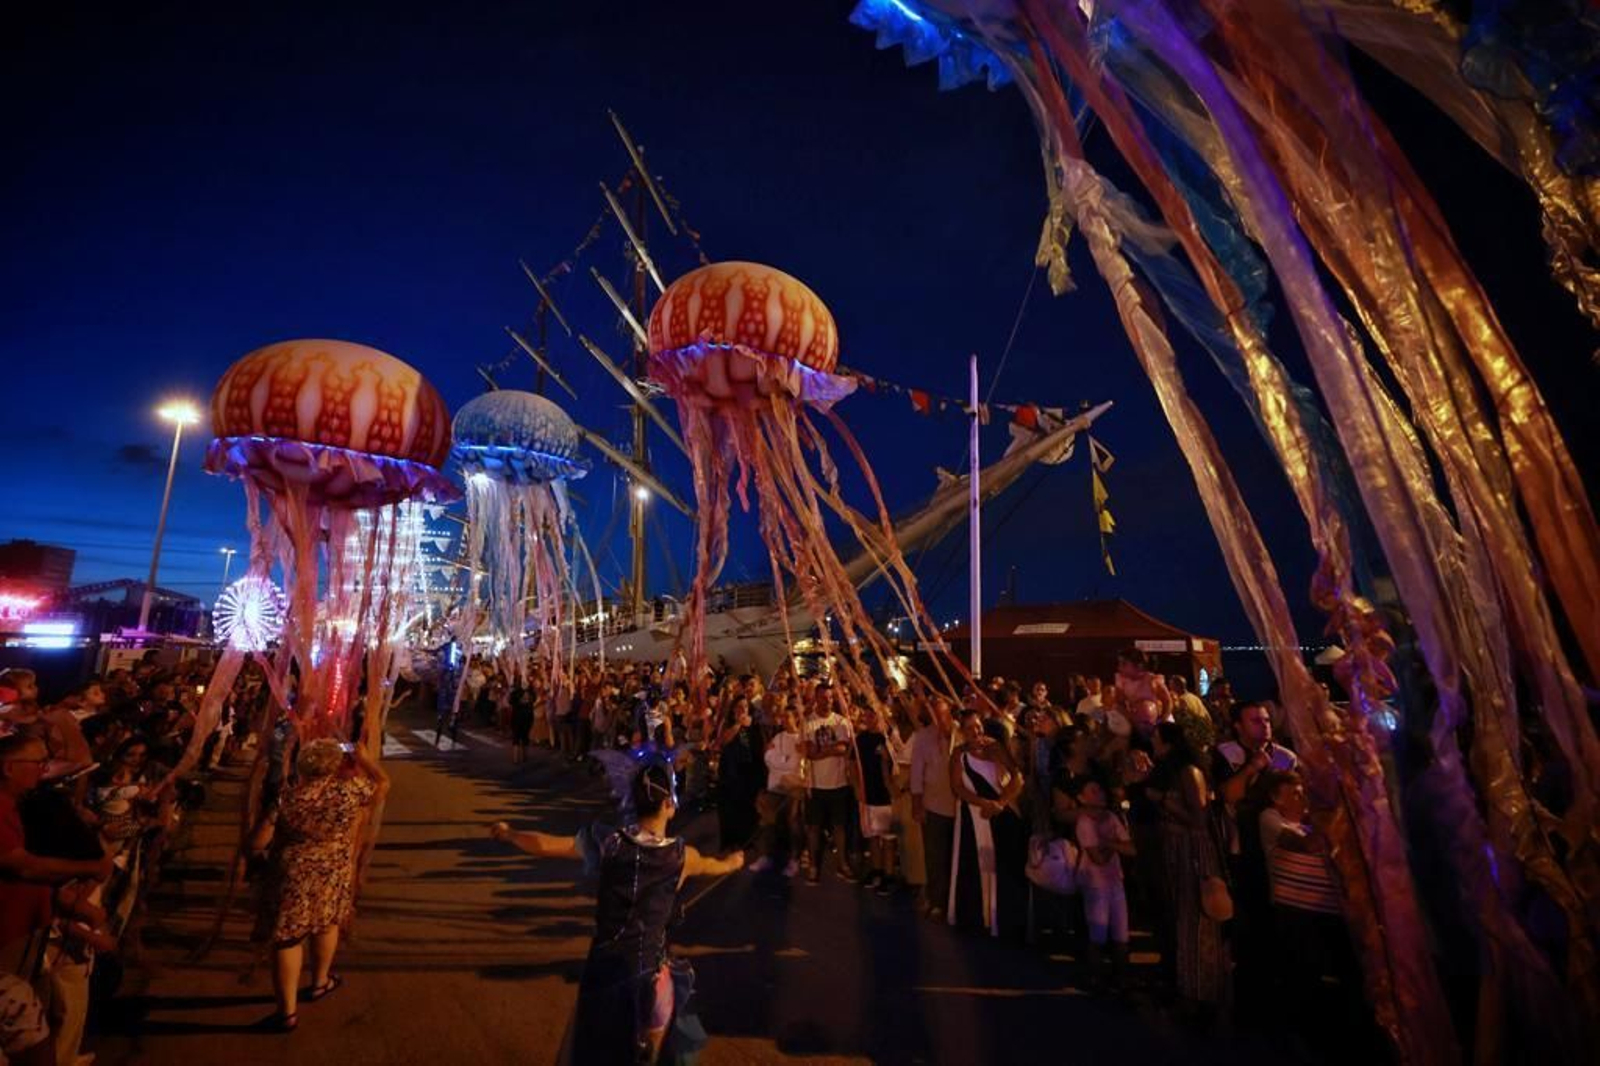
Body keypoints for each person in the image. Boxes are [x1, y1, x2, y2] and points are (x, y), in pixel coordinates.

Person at [489, 757, 744, 1064]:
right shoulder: (682, 857)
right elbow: (714, 866)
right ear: (667, 804)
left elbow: (547, 845)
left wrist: (509, 833)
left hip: (604, 968)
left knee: (595, 1050)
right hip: (648, 973)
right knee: (655, 1038)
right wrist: (735, 862)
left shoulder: (609, 842)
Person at [250, 738, 389, 1032]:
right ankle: (320, 982)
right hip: (333, 867)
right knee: (327, 923)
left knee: (288, 936)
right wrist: (364, 759)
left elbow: (257, 842)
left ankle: (286, 1012)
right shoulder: (350, 793)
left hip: (290, 872)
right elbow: (384, 784)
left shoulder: (287, 797)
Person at [1154, 721, 1229, 1014]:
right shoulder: (1174, 772)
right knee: (1183, 919)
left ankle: (1202, 992)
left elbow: (1198, 816)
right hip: (1177, 850)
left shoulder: (1189, 772)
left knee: (1196, 921)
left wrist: (1165, 803)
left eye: (1158, 742)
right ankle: (1188, 986)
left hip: (1192, 851)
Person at [947, 710, 1024, 936]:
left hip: (999, 813)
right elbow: (957, 787)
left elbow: (1017, 777)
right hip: (974, 816)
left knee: (1001, 865)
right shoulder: (958, 755)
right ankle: (976, 916)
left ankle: (1002, 917)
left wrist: (1000, 802)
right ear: (962, 732)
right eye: (969, 728)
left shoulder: (996, 748)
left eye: (978, 726)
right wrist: (982, 803)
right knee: (976, 864)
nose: (975, 731)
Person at [1070, 776, 1133, 990]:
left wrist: (1107, 843)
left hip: (1115, 880)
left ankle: (1121, 979)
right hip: (1095, 884)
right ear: (1081, 797)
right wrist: (1114, 844)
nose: (1101, 793)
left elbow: (1131, 848)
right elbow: (1098, 858)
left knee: (1121, 934)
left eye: (1100, 789)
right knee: (1098, 933)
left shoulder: (1111, 817)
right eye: (1093, 790)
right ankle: (1095, 978)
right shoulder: (1085, 822)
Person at [910, 695, 956, 920]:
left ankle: (954, 900)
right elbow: (916, 773)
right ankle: (937, 900)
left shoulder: (960, 733)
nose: (939, 718)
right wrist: (917, 804)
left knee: (955, 855)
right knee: (935, 855)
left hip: (961, 804)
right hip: (934, 803)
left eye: (943, 713)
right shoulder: (923, 737)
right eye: (935, 713)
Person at [803, 693, 856, 884]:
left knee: (839, 827)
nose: (828, 701)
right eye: (824, 698)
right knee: (813, 827)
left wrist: (821, 751)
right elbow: (809, 752)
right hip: (816, 785)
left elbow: (843, 749)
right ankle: (813, 866)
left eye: (830, 698)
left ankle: (842, 864)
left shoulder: (841, 721)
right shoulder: (808, 723)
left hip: (838, 783)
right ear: (817, 699)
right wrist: (831, 749)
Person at [752, 708, 805, 876]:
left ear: (796, 718)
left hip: (793, 787)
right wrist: (784, 760)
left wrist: (779, 759)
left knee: (793, 823)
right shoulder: (778, 737)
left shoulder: (802, 740)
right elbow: (768, 759)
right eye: (782, 716)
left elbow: (794, 764)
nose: (783, 719)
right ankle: (765, 856)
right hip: (774, 786)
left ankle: (794, 859)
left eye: (787, 716)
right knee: (767, 822)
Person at [852, 708, 896, 896]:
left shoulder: (889, 739)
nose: (869, 719)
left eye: (873, 716)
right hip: (867, 795)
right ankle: (876, 870)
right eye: (866, 716)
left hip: (886, 796)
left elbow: (898, 766)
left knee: (888, 839)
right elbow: (852, 764)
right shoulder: (861, 739)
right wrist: (857, 788)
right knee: (872, 836)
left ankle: (888, 875)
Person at [713, 698, 761, 851]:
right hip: (730, 770)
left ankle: (747, 840)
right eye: (739, 707)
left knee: (747, 806)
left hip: (749, 769)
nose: (743, 709)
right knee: (729, 806)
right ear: (733, 709)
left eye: (745, 706)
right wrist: (738, 724)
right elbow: (722, 741)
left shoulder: (754, 724)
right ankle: (729, 841)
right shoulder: (728, 724)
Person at [509, 685, 535, 764]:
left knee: (518, 738)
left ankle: (517, 758)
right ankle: (522, 757)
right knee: (523, 738)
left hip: (519, 718)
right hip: (524, 718)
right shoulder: (529, 694)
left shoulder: (516, 694)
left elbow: (510, 701)